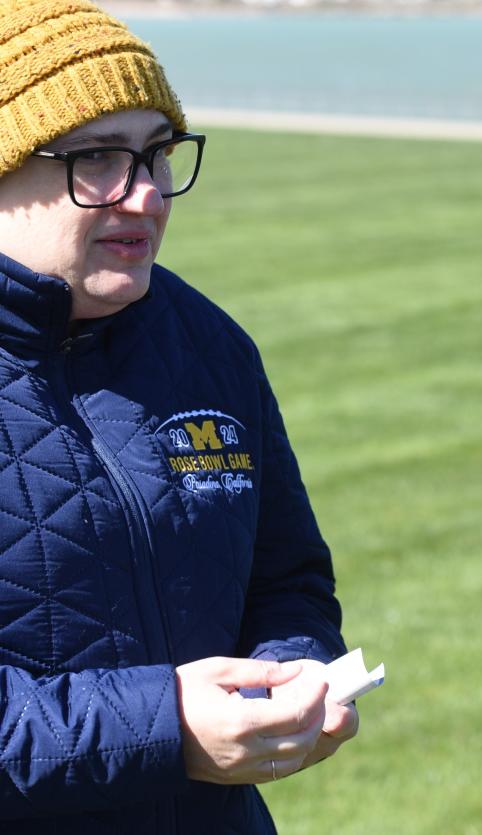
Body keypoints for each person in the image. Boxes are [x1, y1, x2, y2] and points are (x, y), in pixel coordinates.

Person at [0, 0, 357, 830]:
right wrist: (167, 726)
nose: (145, 196)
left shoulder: (209, 346)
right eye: (98, 159)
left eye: (158, 155)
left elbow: (289, 581)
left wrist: (292, 672)